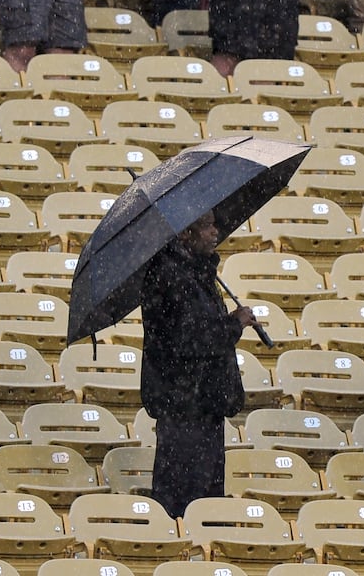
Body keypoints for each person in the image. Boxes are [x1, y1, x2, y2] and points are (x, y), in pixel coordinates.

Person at [140, 210, 257, 520]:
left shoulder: (196, 273)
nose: (214, 232)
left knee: (207, 502)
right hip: (183, 406)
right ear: (184, 234)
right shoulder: (171, 275)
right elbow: (191, 340)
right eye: (206, 226)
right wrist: (234, 324)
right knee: (184, 502)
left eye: (214, 224)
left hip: (203, 404)